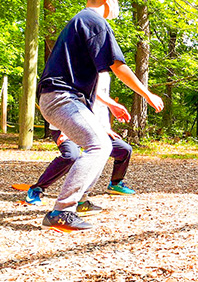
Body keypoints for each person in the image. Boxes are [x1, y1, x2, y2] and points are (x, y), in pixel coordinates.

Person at [37, 0, 164, 231]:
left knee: (99, 144)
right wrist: (147, 94)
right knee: (99, 145)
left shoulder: (82, 21)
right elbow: (118, 67)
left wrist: (108, 105)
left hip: (61, 97)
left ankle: (80, 200)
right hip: (62, 97)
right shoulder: (94, 20)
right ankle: (61, 211)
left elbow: (86, 74)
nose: (118, 4)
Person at [26, 72, 136, 213]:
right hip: (65, 124)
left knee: (123, 150)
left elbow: (100, 106)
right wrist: (64, 130)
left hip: (92, 127)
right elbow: (66, 103)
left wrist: (105, 128)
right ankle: (37, 189)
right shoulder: (78, 69)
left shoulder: (104, 75)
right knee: (71, 155)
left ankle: (114, 184)